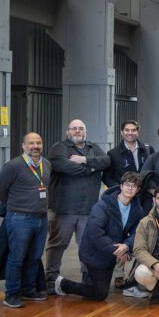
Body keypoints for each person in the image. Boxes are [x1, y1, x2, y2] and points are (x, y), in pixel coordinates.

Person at [44, 119, 111, 294]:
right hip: (63, 209)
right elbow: (64, 166)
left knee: (86, 245)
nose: (77, 131)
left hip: (88, 209)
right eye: (74, 128)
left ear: (85, 132)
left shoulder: (93, 147)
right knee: (57, 244)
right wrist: (90, 168)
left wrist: (83, 160)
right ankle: (51, 277)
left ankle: (87, 275)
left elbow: (106, 161)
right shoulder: (59, 148)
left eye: (81, 128)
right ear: (68, 131)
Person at [55, 172, 144, 302]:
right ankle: (62, 284)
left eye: (134, 186)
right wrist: (118, 251)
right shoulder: (103, 206)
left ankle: (91, 281)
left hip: (110, 255)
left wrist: (126, 246)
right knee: (100, 294)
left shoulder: (137, 209)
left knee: (99, 289)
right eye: (127, 185)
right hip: (94, 253)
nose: (130, 188)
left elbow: (138, 232)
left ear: (138, 190)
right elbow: (96, 234)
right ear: (121, 186)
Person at [0, 132, 51, 308]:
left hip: (41, 218)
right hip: (20, 218)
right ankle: (11, 294)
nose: (35, 146)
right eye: (31, 143)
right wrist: (16, 205)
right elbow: (0, 190)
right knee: (17, 257)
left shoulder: (47, 164)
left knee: (34, 257)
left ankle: (28, 289)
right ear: (24, 146)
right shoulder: (13, 166)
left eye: (38, 143)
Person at [102, 120, 152, 194]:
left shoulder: (148, 150)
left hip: (144, 196)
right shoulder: (113, 153)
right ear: (122, 132)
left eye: (133, 130)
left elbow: (152, 172)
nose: (130, 133)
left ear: (138, 132)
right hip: (124, 197)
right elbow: (107, 178)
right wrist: (120, 190)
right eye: (127, 130)